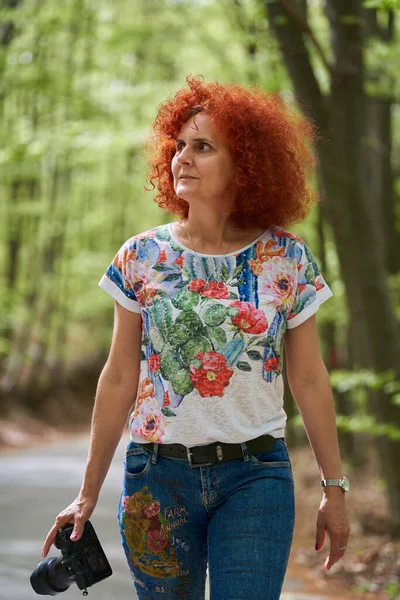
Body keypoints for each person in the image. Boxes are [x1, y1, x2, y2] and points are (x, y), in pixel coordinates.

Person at [42, 75, 350, 600]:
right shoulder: (140, 257)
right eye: (179, 145)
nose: (181, 157)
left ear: (246, 165)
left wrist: (334, 487)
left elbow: (309, 377)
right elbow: (119, 377)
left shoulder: (287, 258)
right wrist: (86, 494)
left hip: (257, 479)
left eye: (202, 147)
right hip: (156, 478)